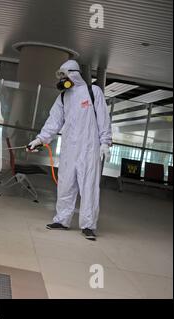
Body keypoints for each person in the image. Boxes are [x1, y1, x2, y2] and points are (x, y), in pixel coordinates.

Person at [28, 60, 112, 241]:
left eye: (65, 76)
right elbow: (54, 122)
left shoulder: (93, 92)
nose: (63, 80)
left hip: (90, 148)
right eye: (61, 77)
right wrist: (40, 139)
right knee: (65, 184)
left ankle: (88, 226)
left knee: (88, 187)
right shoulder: (63, 97)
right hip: (69, 149)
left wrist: (105, 142)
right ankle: (62, 220)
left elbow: (103, 118)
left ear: (73, 74)